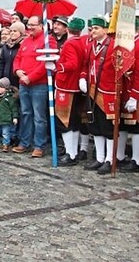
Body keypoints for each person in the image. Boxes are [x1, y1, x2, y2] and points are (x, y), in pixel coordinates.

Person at [12, 16, 57, 158]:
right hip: (23, 84)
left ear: (41, 26)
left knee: (39, 117)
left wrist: (30, 77)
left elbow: (46, 64)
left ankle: (39, 145)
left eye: (33, 25)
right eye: (28, 25)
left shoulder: (48, 41)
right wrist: (18, 71)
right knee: (25, 114)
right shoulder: (25, 41)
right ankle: (25, 142)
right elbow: (18, 58)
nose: (30, 27)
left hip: (39, 85)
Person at [81, 16, 120, 174]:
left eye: (96, 28)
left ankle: (111, 159)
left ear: (105, 29)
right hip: (92, 91)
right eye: (91, 29)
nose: (93, 31)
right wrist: (83, 77)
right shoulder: (91, 46)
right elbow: (86, 64)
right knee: (95, 126)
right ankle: (100, 157)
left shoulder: (113, 46)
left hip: (107, 92)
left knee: (108, 128)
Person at [116, 22, 139, 172]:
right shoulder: (126, 45)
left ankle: (136, 159)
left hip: (135, 92)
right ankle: (119, 155)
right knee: (122, 125)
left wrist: (135, 95)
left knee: (136, 126)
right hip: (123, 90)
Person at [53, 17, 87, 166]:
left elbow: (72, 64)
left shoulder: (70, 44)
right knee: (74, 121)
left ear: (67, 29)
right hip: (76, 86)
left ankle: (70, 153)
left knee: (65, 121)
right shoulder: (84, 42)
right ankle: (73, 152)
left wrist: (57, 67)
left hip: (67, 86)